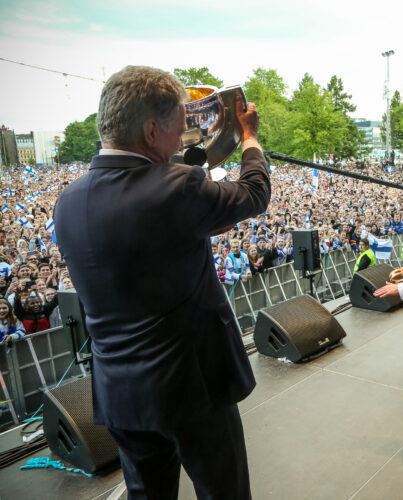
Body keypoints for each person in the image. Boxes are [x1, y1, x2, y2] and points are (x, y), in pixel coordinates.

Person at [53, 65, 271, 499]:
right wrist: (248, 137)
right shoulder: (175, 187)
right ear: (152, 130)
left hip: (120, 393)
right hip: (192, 389)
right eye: (178, 129)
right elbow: (254, 194)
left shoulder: (68, 200)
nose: (183, 142)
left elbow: (146, 242)